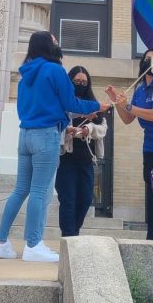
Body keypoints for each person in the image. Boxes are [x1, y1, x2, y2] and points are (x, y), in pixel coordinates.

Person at [0, 31, 109, 262]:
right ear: (47, 45)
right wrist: (98, 105)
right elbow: (70, 102)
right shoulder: (55, 70)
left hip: (25, 134)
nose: (57, 43)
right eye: (54, 40)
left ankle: (0, 242)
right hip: (46, 136)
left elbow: (51, 104)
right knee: (39, 191)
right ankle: (33, 245)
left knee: (20, 190)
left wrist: (81, 110)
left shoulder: (25, 76)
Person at [106, 49, 153, 241]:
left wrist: (128, 106)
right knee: (151, 194)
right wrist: (119, 102)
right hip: (149, 149)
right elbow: (128, 119)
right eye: (146, 58)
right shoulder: (139, 90)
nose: (149, 61)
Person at [56, 66, 109, 237]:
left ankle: (74, 234)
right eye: (77, 81)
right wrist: (69, 130)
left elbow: (103, 128)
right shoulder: (63, 102)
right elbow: (56, 125)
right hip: (67, 159)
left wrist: (88, 129)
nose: (81, 84)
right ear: (70, 82)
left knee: (85, 199)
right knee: (68, 200)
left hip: (86, 159)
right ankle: (69, 237)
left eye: (84, 82)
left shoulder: (92, 103)